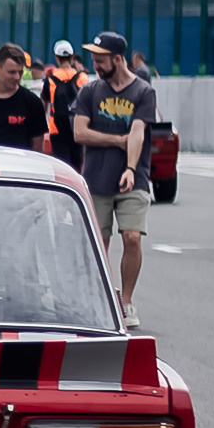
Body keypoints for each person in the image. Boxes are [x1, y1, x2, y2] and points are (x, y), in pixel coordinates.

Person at [71, 32, 155, 329]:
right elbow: (80, 133)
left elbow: (138, 132)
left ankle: (127, 302)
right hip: (96, 177)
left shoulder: (143, 92)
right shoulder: (90, 92)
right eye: (93, 58)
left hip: (134, 176)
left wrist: (131, 168)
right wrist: (116, 140)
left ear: (117, 59)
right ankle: (99, 298)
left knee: (132, 237)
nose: (94, 64)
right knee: (99, 242)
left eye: (100, 59)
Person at [39, 40, 90, 170]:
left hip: (57, 130)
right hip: (78, 129)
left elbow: (42, 108)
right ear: (72, 57)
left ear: (56, 57)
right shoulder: (82, 78)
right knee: (76, 168)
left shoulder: (50, 79)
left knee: (62, 169)